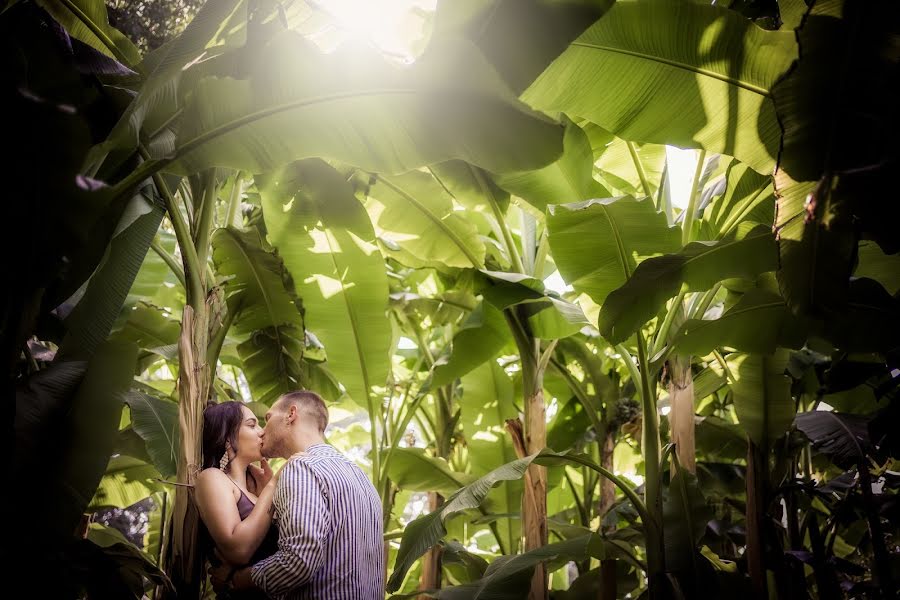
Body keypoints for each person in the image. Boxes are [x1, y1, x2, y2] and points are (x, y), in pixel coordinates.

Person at [211, 390, 385, 599]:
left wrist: (236, 580)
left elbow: (298, 561)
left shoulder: (301, 467)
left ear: (291, 414)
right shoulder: (363, 479)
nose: (262, 431)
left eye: (267, 419)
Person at [196, 401, 280, 598]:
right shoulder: (212, 477)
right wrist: (272, 487)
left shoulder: (256, 491)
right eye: (252, 425)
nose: (262, 432)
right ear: (227, 438)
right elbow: (238, 549)